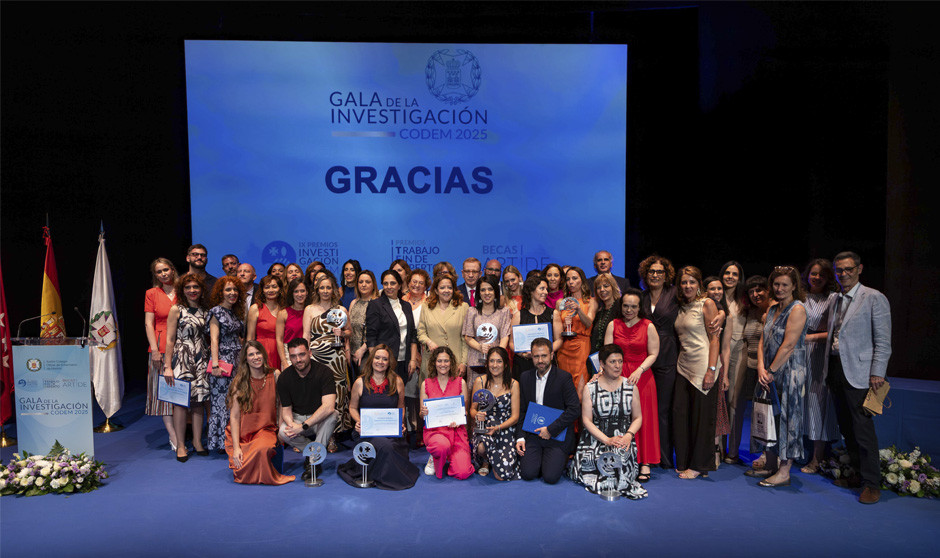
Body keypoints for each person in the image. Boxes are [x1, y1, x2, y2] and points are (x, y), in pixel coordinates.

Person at [824, 252, 891, 504]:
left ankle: (872, 484)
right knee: (846, 428)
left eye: (848, 269)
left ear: (859, 269)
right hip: (835, 368)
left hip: (861, 373)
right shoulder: (835, 298)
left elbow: (883, 341)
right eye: (839, 270)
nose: (844, 274)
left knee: (863, 430)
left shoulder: (874, 297)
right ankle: (856, 474)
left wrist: (877, 372)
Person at [753, 266, 808, 488]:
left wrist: (771, 371)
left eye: (785, 284)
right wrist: (760, 367)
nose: (780, 288)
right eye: (776, 284)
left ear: (794, 286)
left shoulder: (798, 309)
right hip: (768, 372)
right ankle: (770, 464)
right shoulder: (772, 308)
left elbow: (788, 345)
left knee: (788, 419)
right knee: (769, 417)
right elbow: (762, 340)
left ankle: (784, 472)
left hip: (789, 372)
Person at [569, 344, 647, 499]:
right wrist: (606, 440)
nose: (617, 366)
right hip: (595, 438)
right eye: (612, 362)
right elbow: (586, 420)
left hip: (622, 439)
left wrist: (628, 435)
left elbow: (638, 418)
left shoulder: (630, 386)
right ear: (602, 364)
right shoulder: (590, 388)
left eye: (620, 361)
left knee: (619, 463)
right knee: (595, 465)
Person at [337, 345, 419, 490]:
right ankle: (389, 478)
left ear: (389, 362)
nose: (380, 362)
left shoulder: (397, 381)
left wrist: (400, 424)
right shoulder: (360, 382)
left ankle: (381, 474)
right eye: (377, 358)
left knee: (390, 445)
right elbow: (352, 408)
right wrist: (359, 422)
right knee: (386, 446)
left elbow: (401, 407)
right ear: (371, 359)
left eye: (384, 359)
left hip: (390, 430)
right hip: (367, 431)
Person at [605, 288, 660, 482]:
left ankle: (645, 462)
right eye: (626, 306)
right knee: (618, 419)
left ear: (640, 307)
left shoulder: (648, 326)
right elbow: (606, 353)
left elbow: (653, 353)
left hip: (642, 377)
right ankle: (620, 459)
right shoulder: (613, 324)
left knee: (644, 419)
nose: (629, 310)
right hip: (616, 376)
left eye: (633, 306)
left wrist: (639, 370)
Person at [672, 266, 721, 479]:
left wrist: (711, 370)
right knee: (681, 415)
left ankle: (700, 465)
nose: (687, 286)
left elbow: (714, 339)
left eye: (692, 282)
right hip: (683, 367)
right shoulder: (682, 307)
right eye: (684, 282)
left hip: (703, 367)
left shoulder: (707, 304)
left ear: (699, 284)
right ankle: (684, 460)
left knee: (702, 419)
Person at [225, 341, 295, 485]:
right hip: (243, 433)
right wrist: (237, 448)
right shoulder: (239, 382)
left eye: (258, 353)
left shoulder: (275, 375)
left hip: (266, 430)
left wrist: (280, 429)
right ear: (245, 359)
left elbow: (281, 404)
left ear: (263, 355)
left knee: (262, 448)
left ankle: (266, 474)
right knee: (240, 471)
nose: (256, 357)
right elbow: (235, 416)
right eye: (251, 354)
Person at [514, 338, 580, 484]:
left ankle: (553, 460)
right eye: (536, 356)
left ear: (551, 355)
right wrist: (520, 437)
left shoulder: (564, 377)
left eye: (544, 356)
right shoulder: (525, 377)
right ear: (531, 356)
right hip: (533, 433)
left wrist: (550, 430)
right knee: (528, 474)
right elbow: (522, 410)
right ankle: (541, 461)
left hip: (557, 435)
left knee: (550, 477)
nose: (540, 360)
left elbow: (574, 409)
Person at [163, 272, 210, 461]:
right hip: (181, 359)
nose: (192, 290)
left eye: (195, 287)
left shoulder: (206, 310)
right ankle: (181, 445)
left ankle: (197, 442)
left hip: (201, 359)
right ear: (182, 290)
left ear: (201, 289)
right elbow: (170, 339)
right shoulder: (176, 309)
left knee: (198, 403)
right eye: (188, 287)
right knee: (180, 404)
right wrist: (167, 366)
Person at [303, 273, 353, 448]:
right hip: (316, 357)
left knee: (337, 395)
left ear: (333, 290)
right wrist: (306, 355)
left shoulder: (341, 310)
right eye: (322, 287)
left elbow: (350, 332)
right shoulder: (310, 309)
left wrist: (343, 333)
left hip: (336, 358)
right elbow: (306, 334)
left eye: (328, 287)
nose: (325, 291)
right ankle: (317, 433)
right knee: (318, 395)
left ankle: (332, 435)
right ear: (317, 289)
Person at [277, 338, 338, 480]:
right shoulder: (284, 377)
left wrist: (303, 426)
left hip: (318, 419)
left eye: (302, 354)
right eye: (293, 356)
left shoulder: (324, 372)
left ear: (309, 353)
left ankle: (313, 460)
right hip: (297, 418)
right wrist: (292, 426)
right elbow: (286, 410)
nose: (298, 360)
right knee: (283, 431)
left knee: (333, 414)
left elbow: (328, 406)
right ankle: (315, 454)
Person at [800, 259, 839, 474]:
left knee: (817, 405)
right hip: (796, 354)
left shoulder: (832, 298)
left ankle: (817, 458)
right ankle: (793, 452)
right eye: (813, 273)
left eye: (822, 275)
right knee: (798, 404)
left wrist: (809, 338)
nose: (817, 278)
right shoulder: (799, 296)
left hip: (818, 356)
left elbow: (835, 331)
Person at [729, 276, 771, 467]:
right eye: (751, 291)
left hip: (768, 369)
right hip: (751, 366)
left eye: (759, 290)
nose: (755, 294)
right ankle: (747, 451)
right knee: (751, 411)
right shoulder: (751, 312)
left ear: (768, 290)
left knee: (767, 412)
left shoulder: (774, 311)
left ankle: (767, 455)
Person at [366, 270, 420, 411]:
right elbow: (371, 336)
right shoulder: (376, 305)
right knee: (386, 399)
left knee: (400, 398)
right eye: (385, 283)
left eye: (392, 283)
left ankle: (400, 424)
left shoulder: (406, 305)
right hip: (384, 362)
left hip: (404, 361)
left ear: (400, 285)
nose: (389, 287)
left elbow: (413, 335)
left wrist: (413, 359)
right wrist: (375, 361)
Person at [420, 346, 473, 480]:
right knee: (441, 446)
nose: (443, 364)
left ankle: (449, 456)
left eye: (446, 361)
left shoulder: (461, 382)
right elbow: (422, 414)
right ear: (434, 363)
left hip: (456, 432)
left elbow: (464, 412)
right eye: (439, 361)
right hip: (435, 432)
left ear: (451, 362)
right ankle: (436, 456)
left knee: (463, 473)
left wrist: (459, 419)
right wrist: (423, 412)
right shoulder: (426, 384)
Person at [206, 276, 246, 452]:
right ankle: (221, 442)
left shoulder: (235, 312)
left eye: (235, 290)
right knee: (222, 403)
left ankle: (233, 438)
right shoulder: (216, 311)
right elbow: (214, 339)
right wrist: (215, 365)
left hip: (237, 361)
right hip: (222, 363)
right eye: (228, 289)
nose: (232, 293)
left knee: (234, 400)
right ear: (220, 292)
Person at [469, 347, 521, 481]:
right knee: (482, 448)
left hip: (505, 428)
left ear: (505, 364)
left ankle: (495, 462)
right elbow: (472, 409)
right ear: (487, 363)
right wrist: (477, 415)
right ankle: (486, 460)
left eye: (499, 361)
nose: (495, 365)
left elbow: (515, 417)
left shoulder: (514, 384)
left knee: (502, 476)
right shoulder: (480, 381)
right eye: (491, 361)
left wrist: (498, 427)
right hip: (485, 427)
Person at [145, 257, 179, 451]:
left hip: (183, 347)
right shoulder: (151, 293)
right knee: (165, 394)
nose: (163, 274)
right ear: (155, 275)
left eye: (166, 269)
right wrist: (155, 350)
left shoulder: (184, 290)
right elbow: (148, 323)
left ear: (172, 269)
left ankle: (185, 431)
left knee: (183, 392)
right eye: (159, 272)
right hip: (160, 346)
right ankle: (173, 436)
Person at [462, 274, 512, 389]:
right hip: (476, 362)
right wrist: (480, 347)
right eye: (483, 290)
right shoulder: (472, 311)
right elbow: (468, 337)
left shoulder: (504, 312)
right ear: (478, 293)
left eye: (490, 289)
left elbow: (505, 337)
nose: (487, 293)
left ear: (495, 291)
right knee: (476, 394)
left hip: (496, 363)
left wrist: (496, 355)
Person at [553, 266, 596, 398]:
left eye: (574, 278)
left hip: (581, 347)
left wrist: (578, 310)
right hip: (564, 347)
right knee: (564, 388)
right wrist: (564, 325)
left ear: (582, 280)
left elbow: (589, 323)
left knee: (580, 391)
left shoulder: (591, 301)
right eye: (568, 279)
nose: (571, 282)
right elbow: (557, 329)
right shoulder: (561, 303)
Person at [417, 273, 469, 380]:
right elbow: (421, 332)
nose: (446, 290)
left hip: (455, 362)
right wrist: (428, 342)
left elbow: (465, 338)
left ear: (454, 290)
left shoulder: (463, 307)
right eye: (442, 287)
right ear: (436, 290)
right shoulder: (426, 307)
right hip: (432, 362)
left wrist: (464, 362)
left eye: (449, 287)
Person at [509, 275, 554, 378]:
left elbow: (559, 340)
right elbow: (511, 343)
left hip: (546, 364)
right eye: (542, 288)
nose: (546, 292)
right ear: (531, 291)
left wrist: (545, 353)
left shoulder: (553, 314)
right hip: (523, 365)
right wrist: (523, 354)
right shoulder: (518, 316)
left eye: (546, 289)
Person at [246, 274, 283, 370]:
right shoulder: (256, 308)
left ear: (280, 289)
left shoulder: (284, 309)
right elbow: (250, 337)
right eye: (267, 287)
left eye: (274, 286)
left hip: (281, 352)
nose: (271, 290)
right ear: (262, 290)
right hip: (262, 352)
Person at [349, 270, 379, 376]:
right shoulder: (354, 303)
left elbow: (377, 331)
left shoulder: (378, 303)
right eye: (361, 282)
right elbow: (349, 328)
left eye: (367, 282)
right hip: (352, 353)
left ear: (373, 284)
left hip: (368, 353)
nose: (364, 285)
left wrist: (362, 350)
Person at [275, 278, 309, 366]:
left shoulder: (311, 311)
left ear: (307, 292)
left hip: (308, 353)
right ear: (291, 293)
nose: (300, 294)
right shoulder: (283, 314)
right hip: (289, 354)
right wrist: (284, 361)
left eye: (302, 291)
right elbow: (279, 340)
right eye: (296, 291)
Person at [590, 272, 622, 353]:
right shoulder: (599, 311)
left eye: (606, 286)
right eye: (598, 287)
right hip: (596, 355)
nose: (602, 290)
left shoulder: (620, 307)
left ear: (613, 287)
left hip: (614, 355)